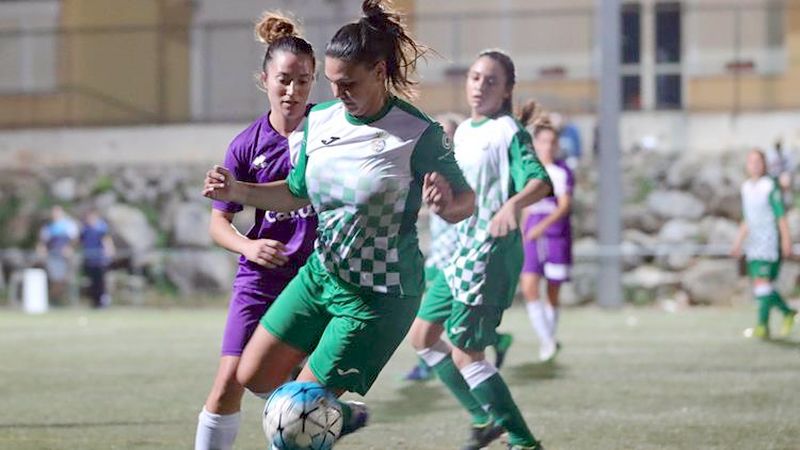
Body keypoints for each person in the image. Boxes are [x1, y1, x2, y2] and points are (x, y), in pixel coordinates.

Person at [203, 0, 474, 443]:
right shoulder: (322, 121)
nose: (338, 93)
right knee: (252, 377)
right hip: (319, 277)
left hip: (378, 296)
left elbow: (466, 200)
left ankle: (325, 413)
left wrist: (447, 206)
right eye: (331, 83)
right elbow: (295, 192)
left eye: (349, 84)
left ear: (380, 71)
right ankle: (339, 414)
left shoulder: (418, 133)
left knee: (296, 417)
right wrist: (238, 191)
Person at [407, 49, 552, 450]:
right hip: (460, 253)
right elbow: (461, 201)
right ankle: (484, 418)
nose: (480, 86)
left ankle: (522, 442)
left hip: (489, 254)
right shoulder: (465, 133)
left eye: (491, 80)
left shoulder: (509, 132)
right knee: (422, 337)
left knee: (466, 353)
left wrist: (512, 205)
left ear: (506, 90)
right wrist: (440, 202)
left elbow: (538, 182)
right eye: (475, 78)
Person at [194, 13, 318, 450]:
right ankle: (329, 417)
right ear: (264, 79)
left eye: (303, 81)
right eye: (284, 80)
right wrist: (250, 246)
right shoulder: (246, 145)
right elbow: (218, 223)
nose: (293, 91)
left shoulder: (329, 131)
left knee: (302, 384)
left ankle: (322, 417)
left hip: (316, 278)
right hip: (261, 279)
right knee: (229, 382)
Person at [404, 112, 514, 382]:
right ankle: (493, 343)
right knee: (430, 315)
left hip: (459, 254)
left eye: (448, 135)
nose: (444, 140)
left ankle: (432, 362)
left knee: (435, 317)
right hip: (439, 252)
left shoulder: (464, 168)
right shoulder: (433, 169)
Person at [519, 105, 575, 362]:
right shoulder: (529, 170)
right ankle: (547, 340)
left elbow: (564, 205)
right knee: (529, 285)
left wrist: (542, 226)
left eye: (552, 142)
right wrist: (523, 230)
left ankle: (549, 337)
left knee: (553, 290)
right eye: (543, 141)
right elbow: (526, 205)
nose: (548, 146)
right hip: (532, 235)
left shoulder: (562, 172)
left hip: (554, 235)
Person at [731, 149, 797, 339]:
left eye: (758, 161)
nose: (755, 165)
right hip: (754, 243)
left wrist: (786, 240)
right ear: (747, 165)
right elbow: (747, 219)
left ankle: (762, 326)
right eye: (751, 161)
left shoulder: (770, 186)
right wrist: (738, 242)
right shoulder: (746, 188)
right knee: (762, 287)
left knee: (763, 283)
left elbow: (780, 215)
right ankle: (787, 313)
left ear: (764, 164)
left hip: (770, 242)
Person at [36, 205, 79, 304]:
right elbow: (43, 241)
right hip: (52, 255)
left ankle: (58, 300)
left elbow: (75, 239)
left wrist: (69, 248)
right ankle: (53, 301)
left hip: (64, 256)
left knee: (64, 279)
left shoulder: (68, 224)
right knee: (54, 278)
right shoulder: (48, 226)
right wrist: (41, 249)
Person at [79, 209, 114, 308]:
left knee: (101, 282)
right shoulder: (85, 229)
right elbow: (80, 241)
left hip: (100, 260)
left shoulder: (101, 227)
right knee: (92, 282)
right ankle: (95, 302)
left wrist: (109, 251)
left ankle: (102, 301)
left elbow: (106, 240)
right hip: (90, 260)